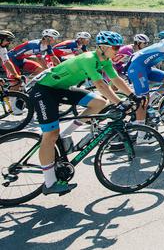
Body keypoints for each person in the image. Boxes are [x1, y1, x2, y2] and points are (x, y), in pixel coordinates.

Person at [28, 31, 134, 196]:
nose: (118, 50)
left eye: (119, 47)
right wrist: (119, 103)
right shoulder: (89, 59)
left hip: (61, 88)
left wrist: (133, 96)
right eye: (115, 47)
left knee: (99, 103)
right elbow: (100, 84)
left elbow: (116, 80)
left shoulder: (104, 60)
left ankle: (66, 133)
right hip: (44, 89)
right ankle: (50, 183)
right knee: (50, 135)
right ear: (104, 47)